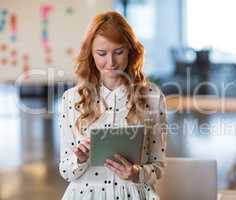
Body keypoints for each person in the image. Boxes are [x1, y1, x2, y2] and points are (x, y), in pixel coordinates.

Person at [59, 11, 167, 200]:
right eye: (101, 53)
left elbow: (158, 167)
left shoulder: (153, 97)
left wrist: (137, 173)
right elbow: (66, 171)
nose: (110, 62)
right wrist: (80, 160)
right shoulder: (71, 99)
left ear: (131, 51)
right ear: (91, 54)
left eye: (118, 52)